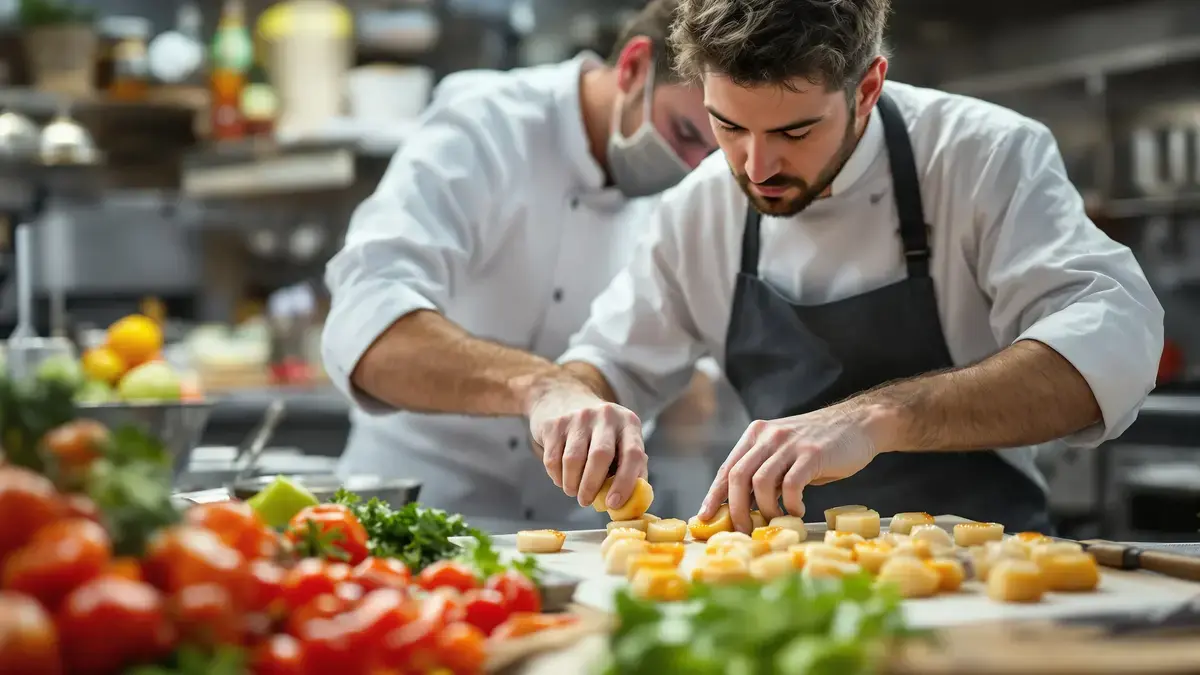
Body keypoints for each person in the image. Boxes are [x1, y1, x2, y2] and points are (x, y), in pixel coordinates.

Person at [521, 0, 1164, 534]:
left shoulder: (983, 157)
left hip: (978, 568)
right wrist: (571, 400)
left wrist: (874, 419)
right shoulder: (700, 207)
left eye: (795, 133)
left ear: (868, 89)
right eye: (728, 126)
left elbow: (1112, 340)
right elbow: (607, 363)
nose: (756, 168)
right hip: (786, 579)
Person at [321, 0, 719, 532]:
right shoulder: (486, 126)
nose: (691, 166)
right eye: (685, 134)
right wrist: (542, 386)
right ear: (632, 67)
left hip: (574, 537)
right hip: (418, 510)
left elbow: (686, 394)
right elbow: (367, 326)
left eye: (714, 151)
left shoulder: (689, 194)